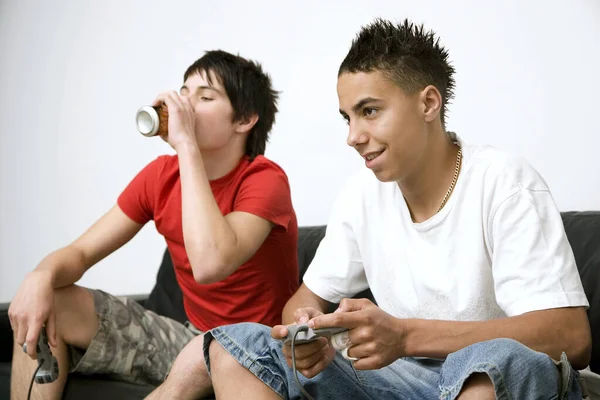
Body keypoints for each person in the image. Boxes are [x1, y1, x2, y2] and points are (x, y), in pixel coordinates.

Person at [197, 19, 591, 400]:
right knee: (236, 348)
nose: (353, 136)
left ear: (428, 103)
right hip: (404, 380)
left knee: (495, 362)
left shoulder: (504, 182)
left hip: (495, 380)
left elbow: (571, 336)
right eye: (347, 118)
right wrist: (306, 332)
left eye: (369, 111)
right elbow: (303, 301)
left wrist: (403, 337)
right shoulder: (360, 196)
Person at [8, 49, 299, 400]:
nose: (185, 105)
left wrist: (186, 145)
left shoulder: (264, 180)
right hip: (190, 336)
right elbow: (81, 252)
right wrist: (40, 276)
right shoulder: (160, 177)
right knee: (49, 299)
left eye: (205, 97)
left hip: (256, 347)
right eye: (184, 92)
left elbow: (210, 264)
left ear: (245, 119)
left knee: (209, 355)